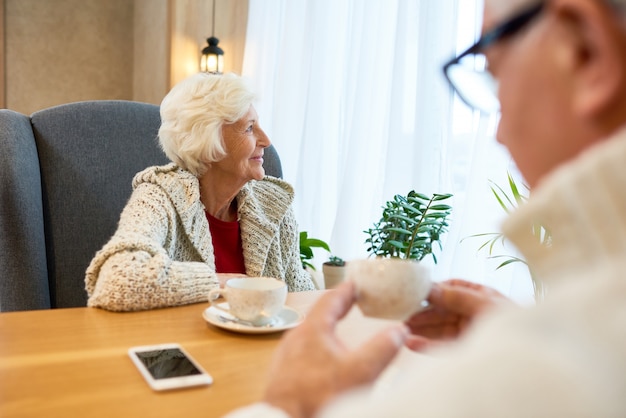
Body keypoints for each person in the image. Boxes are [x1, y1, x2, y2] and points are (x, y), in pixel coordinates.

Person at [225, 0, 626, 416]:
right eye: (249, 127)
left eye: (493, 69)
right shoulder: (161, 193)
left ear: (586, 50)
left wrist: (291, 404)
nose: (499, 133)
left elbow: (297, 288)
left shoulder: (533, 373)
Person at [85, 72, 315, 312]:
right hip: (184, 343)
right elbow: (117, 280)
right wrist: (222, 282)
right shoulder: (158, 196)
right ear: (208, 141)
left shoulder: (273, 203)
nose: (266, 140)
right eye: (249, 128)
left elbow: (301, 292)